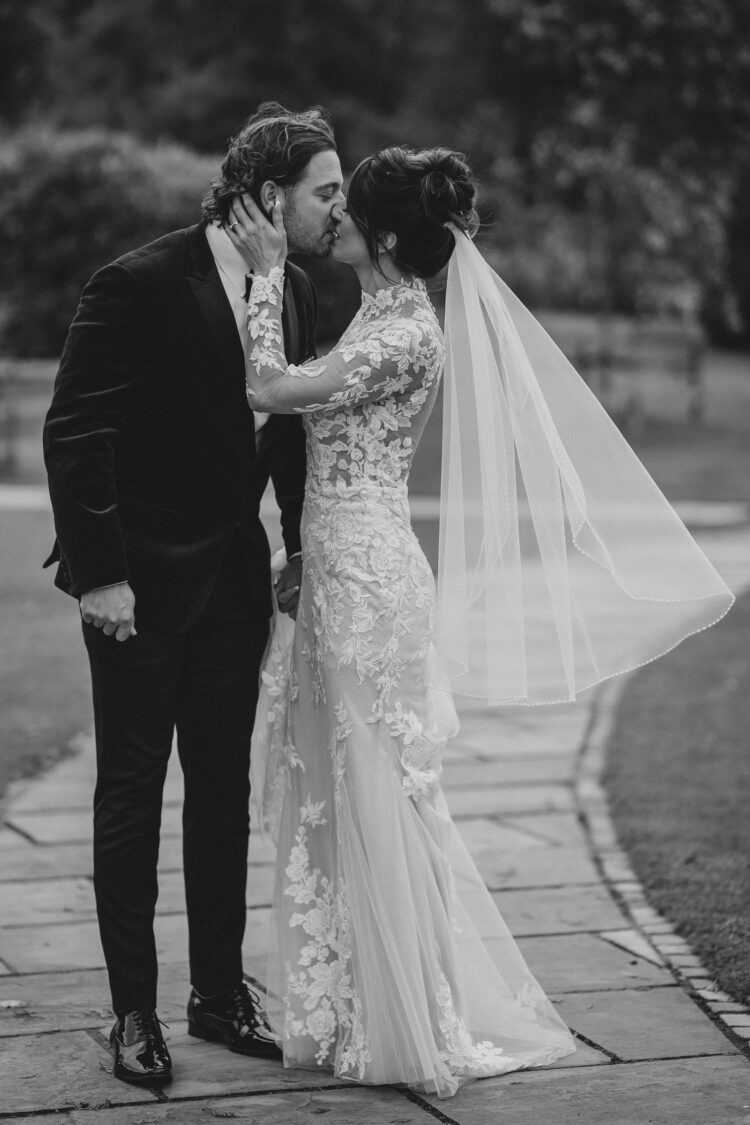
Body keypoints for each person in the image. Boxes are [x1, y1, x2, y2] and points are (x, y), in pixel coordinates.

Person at [227, 143, 733, 1098]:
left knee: (381, 790)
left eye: (343, 209)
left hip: (372, 582)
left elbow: (270, 390)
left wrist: (261, 280)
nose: (326, 218)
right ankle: (359, 1007)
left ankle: (412, 1023)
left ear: (379, 234)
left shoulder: (406, 331)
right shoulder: (378, 309)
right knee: (341, 789)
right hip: (338, 571)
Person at [42, 102, 345, 1087]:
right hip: (134, 585)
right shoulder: (137, 282)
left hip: (231, 590)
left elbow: (289, 434)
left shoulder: (293, 289)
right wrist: (101, 575)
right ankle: (133, 1014)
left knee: (222, 794)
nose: (337, 211)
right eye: (325, 193)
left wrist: (298, 550)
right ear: (269, 196)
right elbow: (75, 431)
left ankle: (218, 995)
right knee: (130, 796)